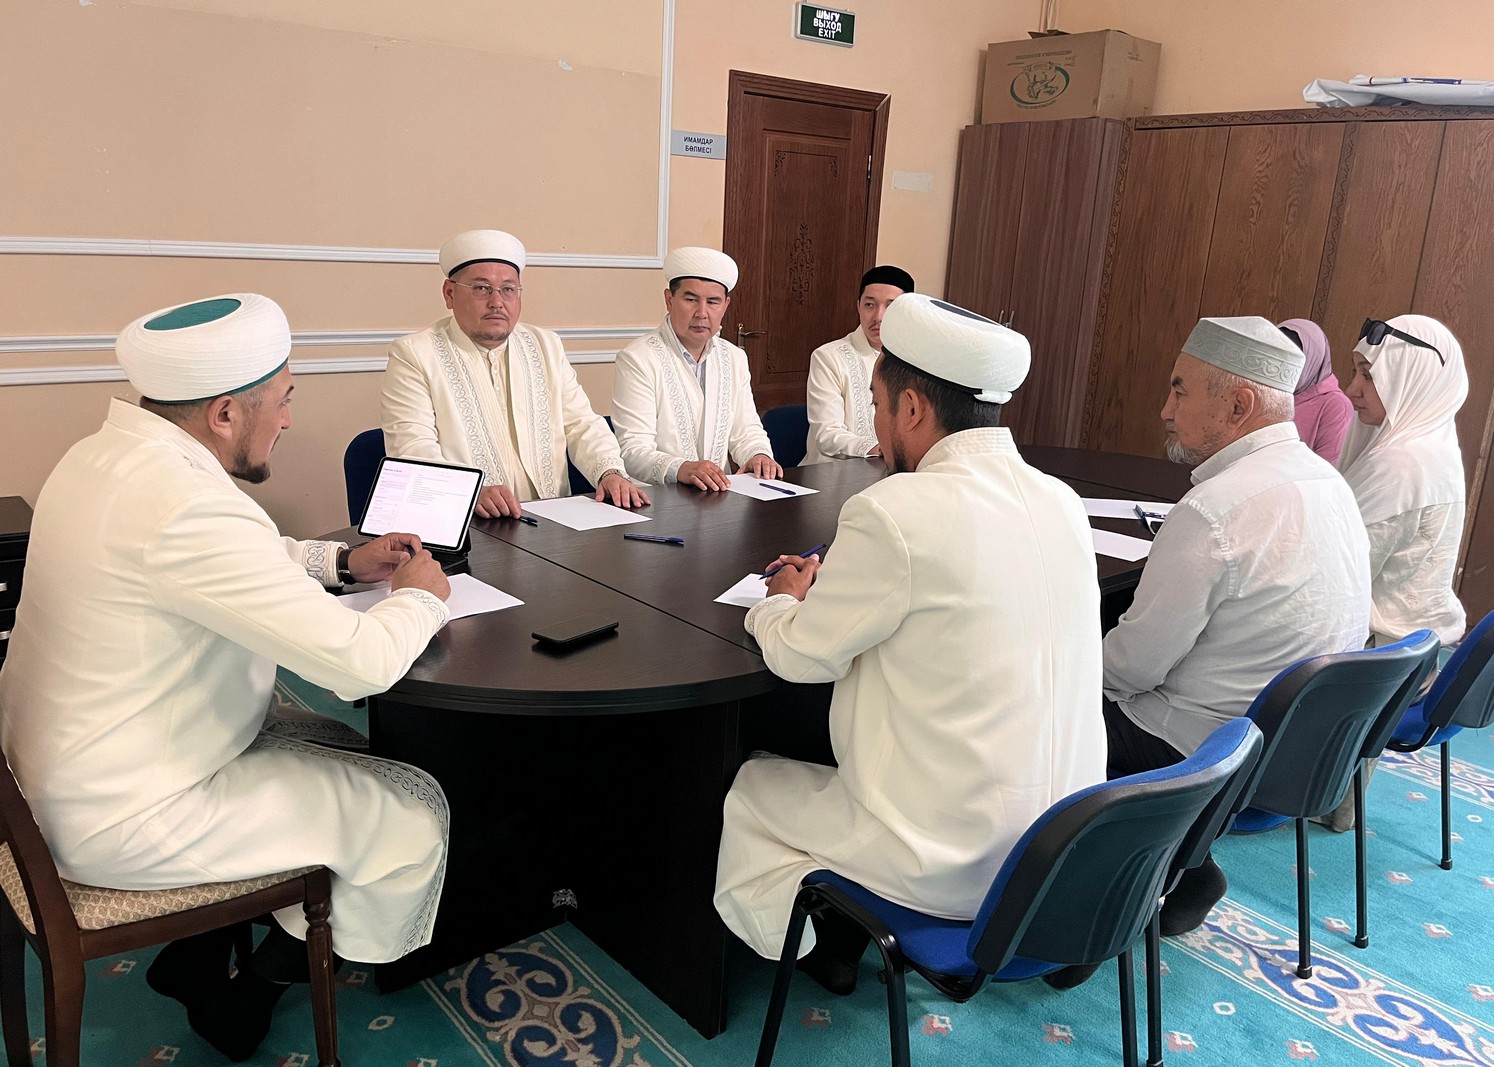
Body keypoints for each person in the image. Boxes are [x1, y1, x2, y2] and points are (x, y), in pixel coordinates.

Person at [0, 294, 453, 1062]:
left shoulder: (107, 456)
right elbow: (358, 661)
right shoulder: (184, 506)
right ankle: (251, 993)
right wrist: (420, 598)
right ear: (223, 414)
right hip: (126, 809)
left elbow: (241, 557)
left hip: (62, 768)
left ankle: (200, 952)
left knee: (344, 751)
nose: (288, 420)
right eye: (283, 401)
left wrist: (342, 562)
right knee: (414, 817)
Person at [713, 294, 1106, 994]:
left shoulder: (894, 508)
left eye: (877, 403)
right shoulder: (1060, 499)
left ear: (914, 408)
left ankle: (821, 945)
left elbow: (802, 656)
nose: (877, 422)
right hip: (1061, 848)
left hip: (950, 861)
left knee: (749, 786)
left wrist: (782, 601)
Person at [1102, 316, 1370, 934]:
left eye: (1180, 390)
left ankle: (1088, 893)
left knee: (1036, 704)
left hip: (1200, 749)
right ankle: (1182, 861)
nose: (1165, 410)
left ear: (1239, 405)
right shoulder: (1329, 483)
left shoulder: (1215, 509)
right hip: (1295, 749)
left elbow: (1130, 671)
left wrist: (1058, 670)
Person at [381, 229, 648, 517]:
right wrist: (470, 492)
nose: (497, 302)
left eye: (508, 289)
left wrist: (609, 471)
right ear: (449, 293)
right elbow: (412, 448)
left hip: (555, 520)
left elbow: (581, 424)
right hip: (471, 521)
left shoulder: (544, 345)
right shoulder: (415, 354)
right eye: (481, 288)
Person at [1340, 315, 1468, 648]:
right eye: (1356, 372)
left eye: (1369, 375)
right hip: (1415, 650)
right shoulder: (1436, 447)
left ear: (1413, 378)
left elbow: (1335, 580)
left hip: (1376, 654)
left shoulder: (1402, 463)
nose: (1352, 389)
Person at [611, 247, 781, 489]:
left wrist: (758, 454)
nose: (702, 313)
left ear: (726, 305)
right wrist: (680, 468)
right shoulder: (638, 358)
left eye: (713, 302)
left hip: (719, 495)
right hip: (657, 497)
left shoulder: (734, 357)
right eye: (691, 300)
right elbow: (632, 449)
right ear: (669, 300)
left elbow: (746, 429)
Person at [803, 264, 914, 464]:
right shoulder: (828, 357)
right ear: (858, 307)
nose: (878, 317)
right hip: (833, 471)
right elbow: (827, 434)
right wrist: (875, 448)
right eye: (869, 305)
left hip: (895, 468)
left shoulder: (916, 360)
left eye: (890, 307)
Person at [1280, 317, 1354, 463]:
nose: (1283, 366)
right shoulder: (1267, 391)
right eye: (1278, 355)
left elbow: (1327, 468)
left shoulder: (1336, 405)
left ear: (1313, 358)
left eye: (1292, 357)